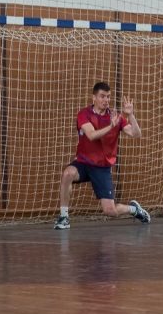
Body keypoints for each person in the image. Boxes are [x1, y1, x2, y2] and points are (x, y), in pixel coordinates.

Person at [54, 82, 151, 229]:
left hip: (101, 167)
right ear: (94, 98)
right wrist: (111, 126)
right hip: (83, 163)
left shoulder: (116, 117)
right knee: (68, 173)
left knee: (110, 211)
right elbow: (92, 135)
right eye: (102, 96)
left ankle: (134, 210)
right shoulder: (84, 114)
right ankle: (63, 217)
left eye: (108, 97)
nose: (106, 100)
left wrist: (131, 115)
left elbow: (136, 134)